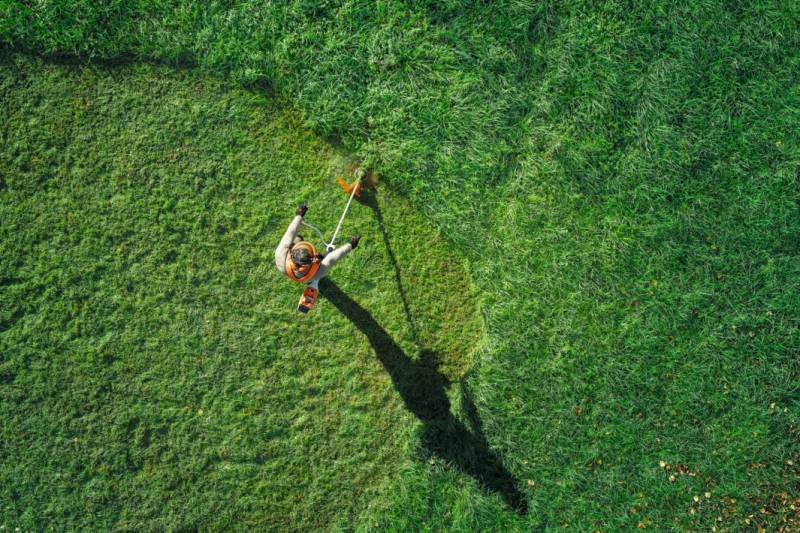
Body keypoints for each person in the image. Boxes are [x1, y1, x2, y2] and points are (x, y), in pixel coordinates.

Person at [275, 203, 360, 305]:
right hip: (310, 276)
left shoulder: (280, 254)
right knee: (300, 240)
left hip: (286, 267)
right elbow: (331, 259)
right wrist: (350, 245)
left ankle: (300, 243)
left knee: (297, 238)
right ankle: (313, 281)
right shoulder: (318, 273)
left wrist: (299, 215)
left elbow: (290, 233)